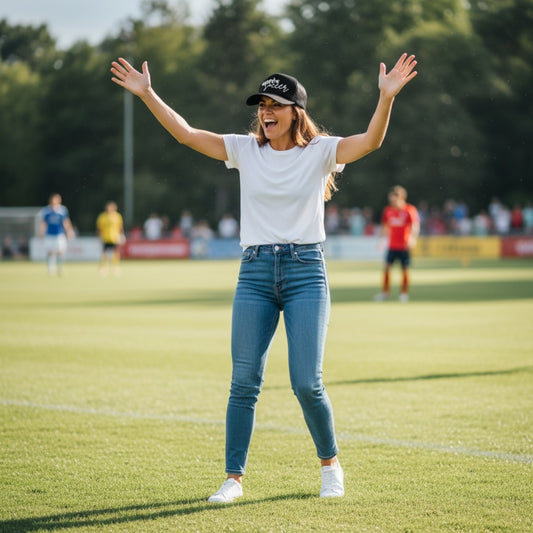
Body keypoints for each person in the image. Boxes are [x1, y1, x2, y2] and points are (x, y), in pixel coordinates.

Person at [111, 52, 417, 502]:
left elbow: (370, 141)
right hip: (254, 272)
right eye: (261, 106)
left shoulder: (321, 152)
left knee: (306, 382)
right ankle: (233, 478)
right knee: (243, 382)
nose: (265, 113)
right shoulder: (243, 149)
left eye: (274, 105)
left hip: (305, 271)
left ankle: (330, 466)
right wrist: (147, 93)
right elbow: (187, 134)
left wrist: (386, 98)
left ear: (297, 112)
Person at [375, 185, 420, 302]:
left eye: (394, 197)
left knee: (405, 269)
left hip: (404, 246)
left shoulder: (409, 209)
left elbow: (415, 225)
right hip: (392, 245)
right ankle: (385, 292)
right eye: (391, 198)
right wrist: (380, 240)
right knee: (386, 268)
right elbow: (385, 227)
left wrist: (412, 238)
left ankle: (404, 294)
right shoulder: (388, 210)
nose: (392, 200)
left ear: (401, 197)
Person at [39, 193, 75, 276]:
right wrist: (41, 232)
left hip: (59, 234)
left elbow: (66, 222)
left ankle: (59, 268)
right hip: (49, 234)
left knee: (60, 252)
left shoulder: (62, 210)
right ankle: (50, 269)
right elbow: (43, 223)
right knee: (50, 252)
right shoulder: (46, 211)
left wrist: (69, 231)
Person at [96, 201, 125, 276]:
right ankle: (103, 267)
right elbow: (99, 228)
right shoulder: (102, 216)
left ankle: (114, 267)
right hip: (105, 237)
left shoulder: (117, 216)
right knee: (104, 253)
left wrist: (121, 235)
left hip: (115, 237)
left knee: (116, 253)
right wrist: (100, 236)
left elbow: (120, 227)